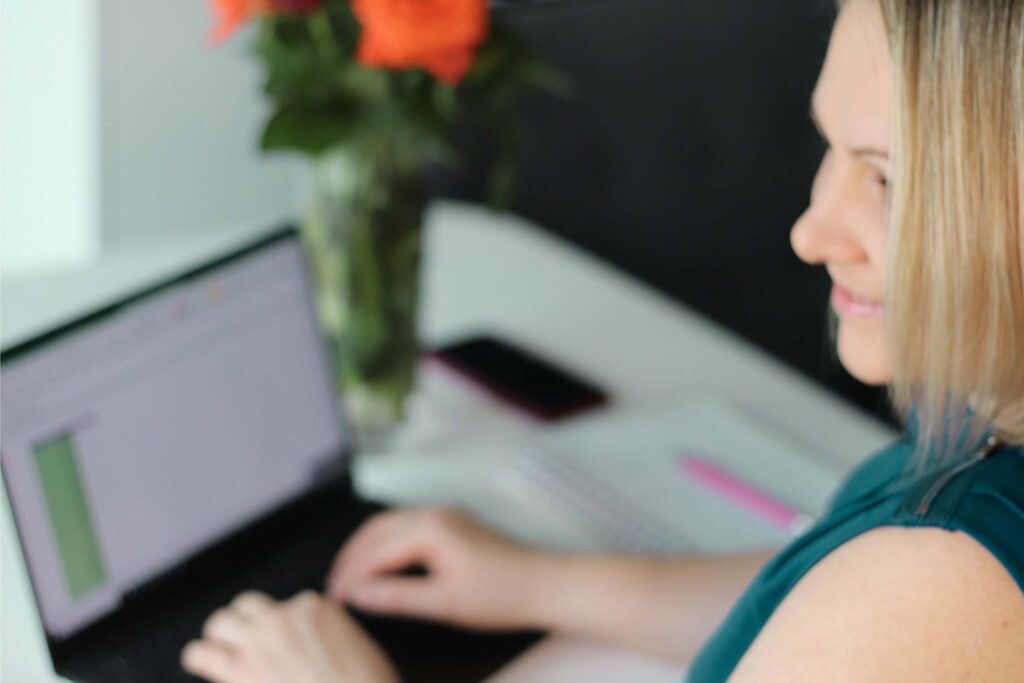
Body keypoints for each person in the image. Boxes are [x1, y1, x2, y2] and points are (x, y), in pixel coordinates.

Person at [181, 0, 1024, 680]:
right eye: (830, 148)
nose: (812, 230)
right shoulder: (984, 419)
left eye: (885, 179)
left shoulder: (945, 581)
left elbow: (890, 620)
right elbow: (820, 605)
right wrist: (541, 583)